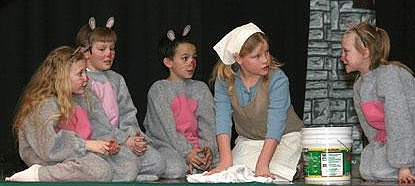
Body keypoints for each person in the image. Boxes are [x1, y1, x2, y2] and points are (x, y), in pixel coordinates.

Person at [339, 22, 415, 184]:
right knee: (367, 170)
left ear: (365, 52)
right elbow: (371, 129)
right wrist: (378, 149)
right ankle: (409, 163)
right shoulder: (359, 86)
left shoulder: (390, 77)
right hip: (394, 136)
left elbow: (402, 121)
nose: (342, 57)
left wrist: (403, 166)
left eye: (346, 51)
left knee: (381, 170)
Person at [6, 46, 122, 181]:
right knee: (101, 169)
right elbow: (48, 148)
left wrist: (106, 144)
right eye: (80, 73)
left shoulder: (83, 97)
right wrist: (86, 145)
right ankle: (38, 174)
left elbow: (98, 128)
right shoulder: (45, 104)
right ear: (61, 77)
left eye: (85, 72)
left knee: (126, 163)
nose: (86, 78)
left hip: (76, 156)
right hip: (49, 160)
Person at [208, 23, 304, 181]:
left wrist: (262, 164)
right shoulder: (224, 81)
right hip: (250, 141)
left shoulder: (277, 79)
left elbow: (276, 124)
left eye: (266, 52)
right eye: (256, 56)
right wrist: (225, 161)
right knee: (235, 174)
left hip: (284, 138)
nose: (265, 59)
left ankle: (298, 165)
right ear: (239, 58)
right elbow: (223, 120)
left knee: (272, 173)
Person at [75, 17, 165, 181]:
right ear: (85, 52)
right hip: (100, 143)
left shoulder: (117, 79)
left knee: (158, 163)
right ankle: (125, 173)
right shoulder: (82, 81)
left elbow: (128, 113)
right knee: (128, 164)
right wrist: (124, 140)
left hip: (123, 141)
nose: (109, 54)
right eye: (102, 49)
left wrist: (134, 137)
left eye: (112, 49)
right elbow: (95, 123)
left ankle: (126, 174)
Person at [143, 25, 218, 178]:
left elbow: (208, 125)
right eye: (185, 58)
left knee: (223, 163)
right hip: (168, 146)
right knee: (176, 168)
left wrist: (207, 149)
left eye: (194, 58)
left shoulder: (200, 88)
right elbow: (167, 131)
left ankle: (197, 165)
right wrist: (187, 152)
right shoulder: (159, 89)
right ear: (168, 62)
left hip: (196, 148)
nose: (191, 62)